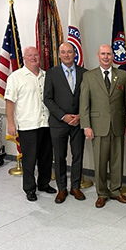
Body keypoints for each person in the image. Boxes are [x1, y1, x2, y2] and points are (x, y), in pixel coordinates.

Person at [80, 44, 126, 208]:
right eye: (103, 54)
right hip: (97, 126)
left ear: (113, 56)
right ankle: (101, 193)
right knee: (100, 162)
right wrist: (86, 125)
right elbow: (84, 103)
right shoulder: (89, 76)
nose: (106, 57)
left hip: (117, 125)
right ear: (98, 55)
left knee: (117, 161)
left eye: (109, 54)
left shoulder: (123, 75)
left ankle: (116, 190)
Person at [5, 46, 56, 202]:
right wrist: (11, 123)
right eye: (30, 55)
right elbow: (9, 102)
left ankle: (43, 184)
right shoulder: (16, 77)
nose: (33, 57)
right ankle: (29, 188)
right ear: (24, 58)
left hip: (46, 123)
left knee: (46, 157)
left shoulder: (46, 75)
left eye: (35, 55)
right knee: (29, 159)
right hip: (28, 125)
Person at [44, 42, 87, 204]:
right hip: (59, 123)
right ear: (59, 55)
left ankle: (75, 186)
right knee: (60, 157)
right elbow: (47, 98)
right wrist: (63, 116)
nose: (67, 55)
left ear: (75, 54)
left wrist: (80, 116)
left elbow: (88, 98)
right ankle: (62, 188)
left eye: (70, 52)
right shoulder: (51, 73)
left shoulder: (85, 73)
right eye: (63, 52)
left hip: (78, 122)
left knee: (78, 155)